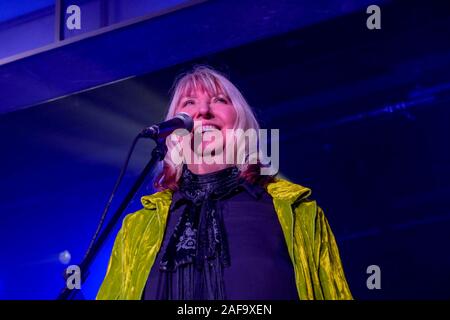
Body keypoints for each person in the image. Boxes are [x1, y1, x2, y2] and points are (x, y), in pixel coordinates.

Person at [96, 66, 352, 300]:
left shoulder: (296, 213)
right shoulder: (138, 229)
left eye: (219, 100)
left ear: (241, 120)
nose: (203, 111)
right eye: (189, 102)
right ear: (173, 131)